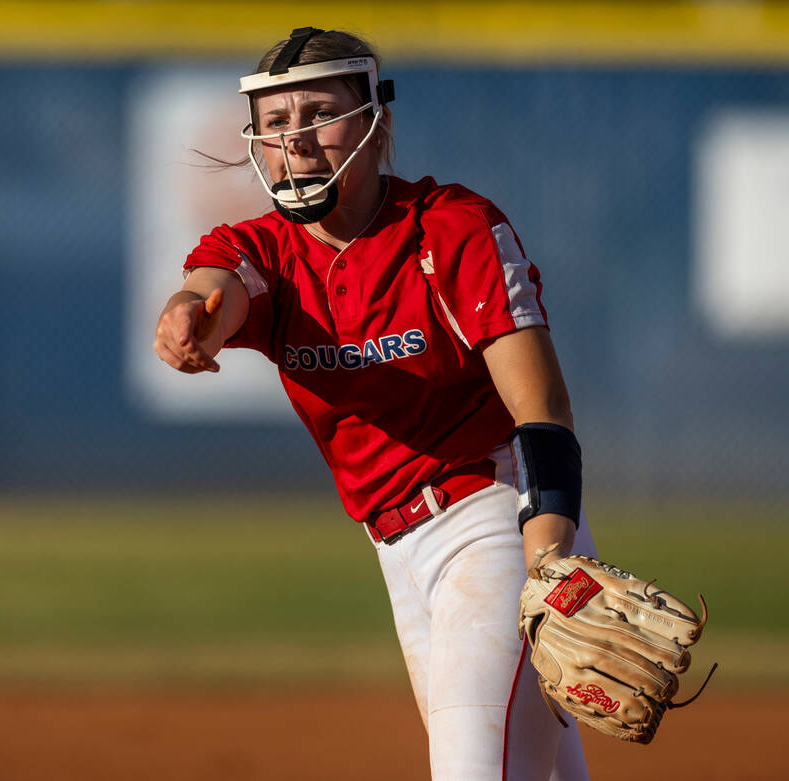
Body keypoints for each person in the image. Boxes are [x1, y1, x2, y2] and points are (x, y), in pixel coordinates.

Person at [153, 27, 597, 781]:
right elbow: (219, 288)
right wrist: (186, 313)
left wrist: (550, 563)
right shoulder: (265, 252)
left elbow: (542, 405)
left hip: (497, 522)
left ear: (375, 122)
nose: (296, 140)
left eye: (320, 112)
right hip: (399, 552)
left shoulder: (451, 229)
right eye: (275, 122)